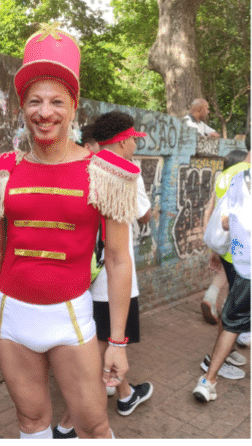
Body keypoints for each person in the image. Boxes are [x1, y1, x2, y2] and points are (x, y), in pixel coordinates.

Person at [0, 25, 139, 439]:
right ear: (23, 108)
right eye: (35, 101)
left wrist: (117, 341)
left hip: (71, 320)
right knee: (31, 421)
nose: (45, 112)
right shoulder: (2, 171)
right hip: (12, 321)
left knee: (94, 423)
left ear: (73, 105)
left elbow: (119, 260)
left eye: (56, 101)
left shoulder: (104, 173)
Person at [53, 112, 154, 438]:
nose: (134, 147)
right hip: (113, 280)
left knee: (97, 346)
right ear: (124, 140)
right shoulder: (125, 173)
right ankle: (68, 424)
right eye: (133, 140)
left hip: (82, 277)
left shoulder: (82, 165)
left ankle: (125, 395)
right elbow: (144, 215)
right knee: (99, 353)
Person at [193, 167, 252, 402]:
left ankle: (215, 368)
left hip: (234, 253)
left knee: (232, 312)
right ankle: (210, 377)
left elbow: (220, 216)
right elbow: (226, 220)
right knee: (235, 319)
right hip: (250, 262)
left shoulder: (236, 175)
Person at [201, 148, 250, 324]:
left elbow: (211, 208)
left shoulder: (222, 178)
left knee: (226, 271)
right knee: (239, 281)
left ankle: (210, 297)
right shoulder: (242, 177)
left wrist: (213, 247)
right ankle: (233, 320)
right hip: (236, 235)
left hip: (221, 236)